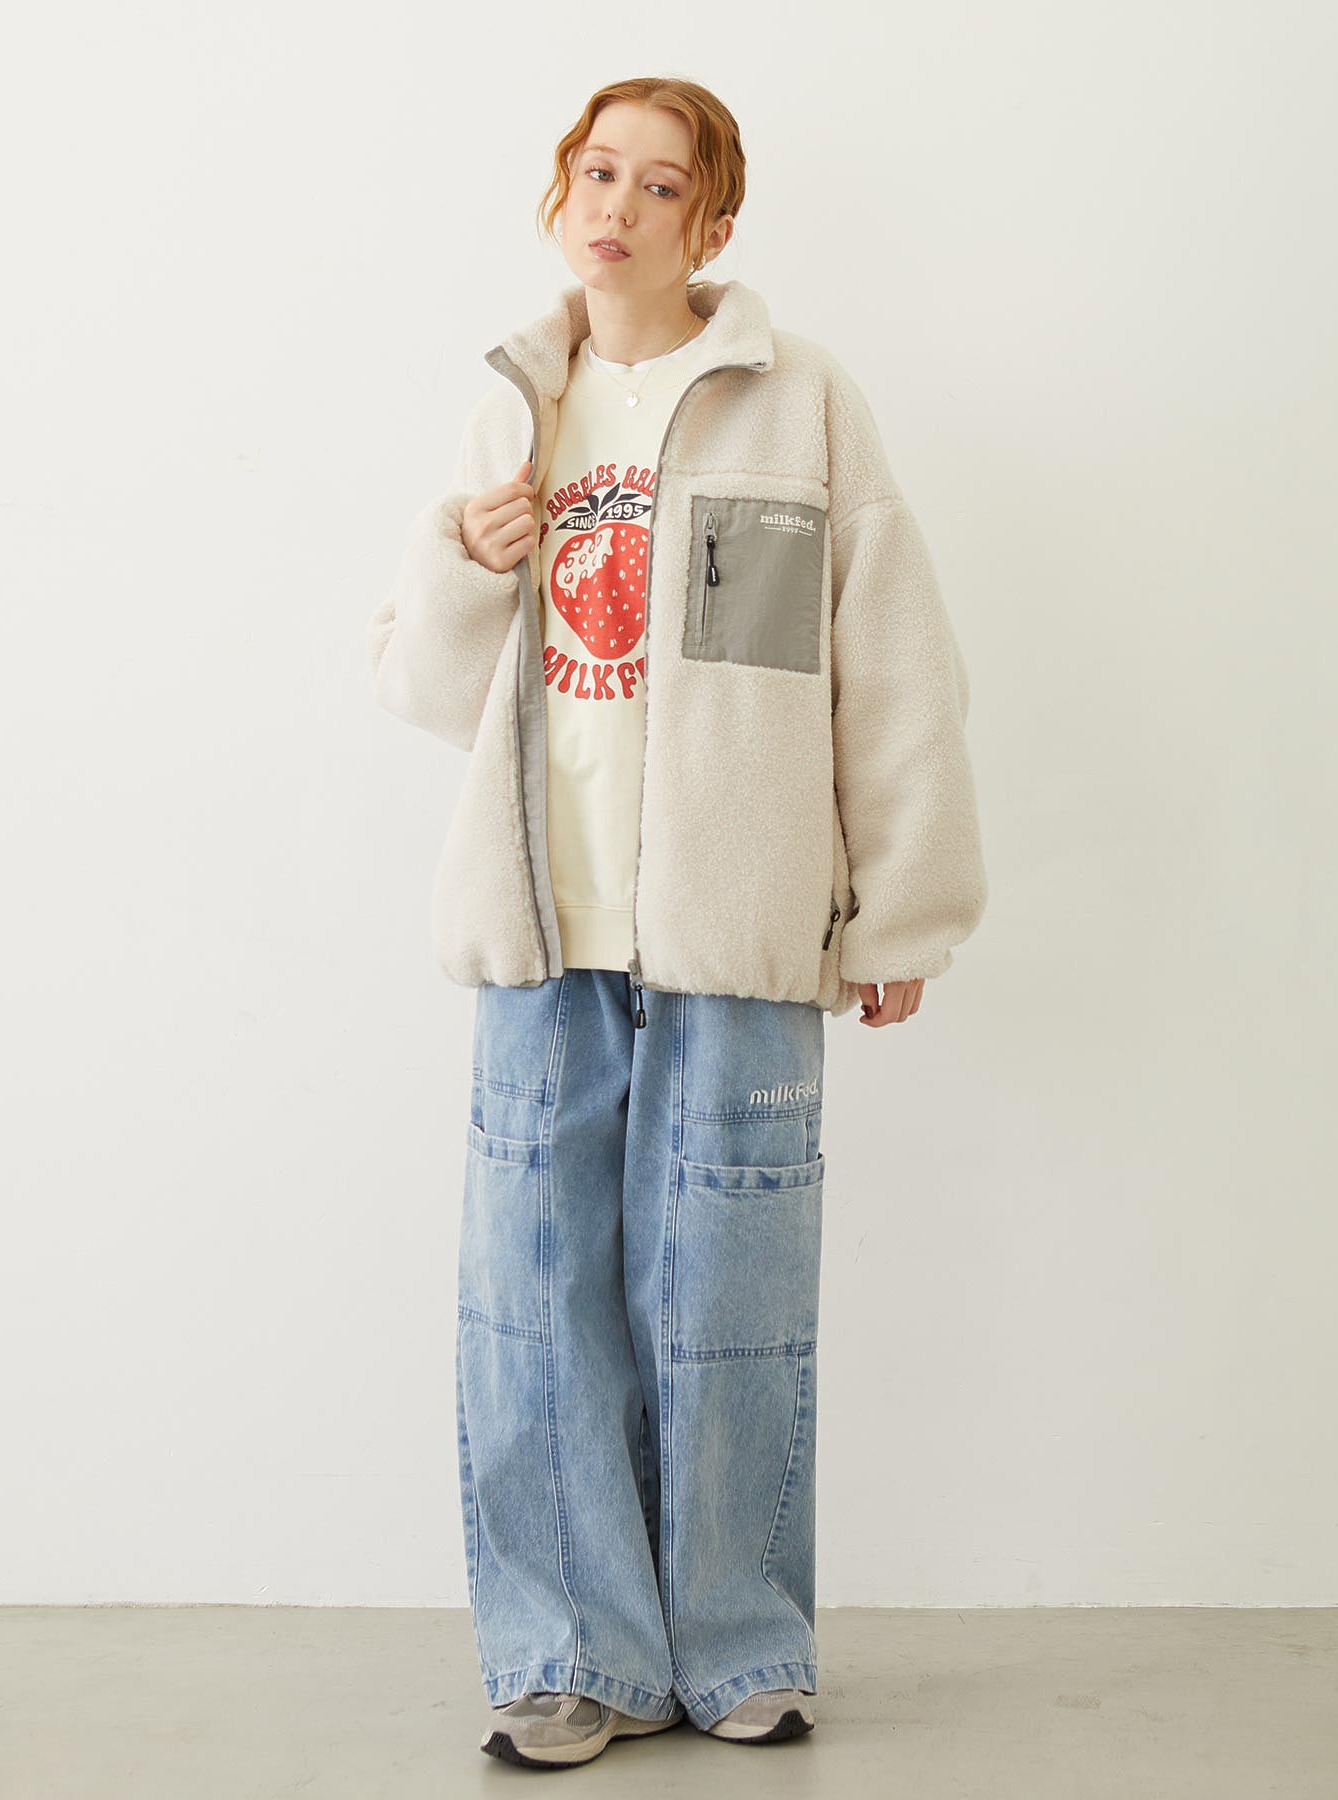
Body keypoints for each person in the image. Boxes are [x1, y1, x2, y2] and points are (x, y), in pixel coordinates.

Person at [368, 75, 988, 1770]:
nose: (618, 206)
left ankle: (738, 1645)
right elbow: (428, 690)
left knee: (728, 1295)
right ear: (556, 195)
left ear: (713, 222)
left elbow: (890, 663)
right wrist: (466, 562)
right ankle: (570, 1655)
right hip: (542, 922)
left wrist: (898, 913)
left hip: (736, 920)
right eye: (596, 172)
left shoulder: (802, 400)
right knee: (535, 1300)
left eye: (659, 184)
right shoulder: (518, 405)